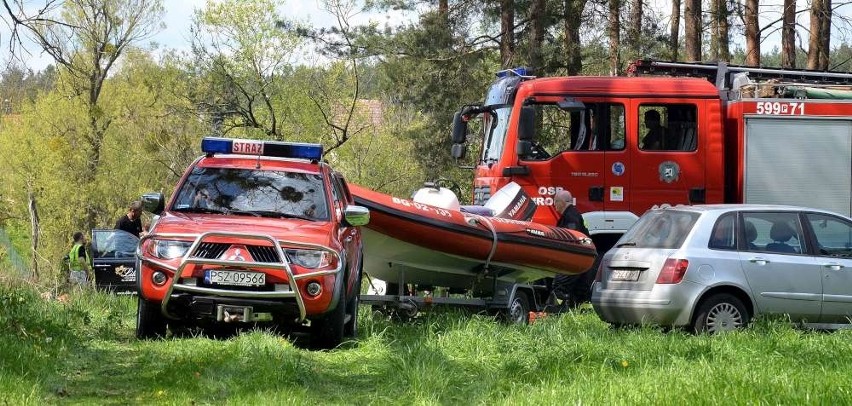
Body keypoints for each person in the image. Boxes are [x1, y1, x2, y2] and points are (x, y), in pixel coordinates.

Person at [551, 190, 596, 309]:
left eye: (555, 202)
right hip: (584, 257)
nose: (555, 206)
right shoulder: (574, 214)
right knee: (580, 290)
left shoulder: (570, 217)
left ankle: (557, 311)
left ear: (561, 202)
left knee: (560, 284)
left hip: (575, 258)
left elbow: (571, 238)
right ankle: (580, 312)